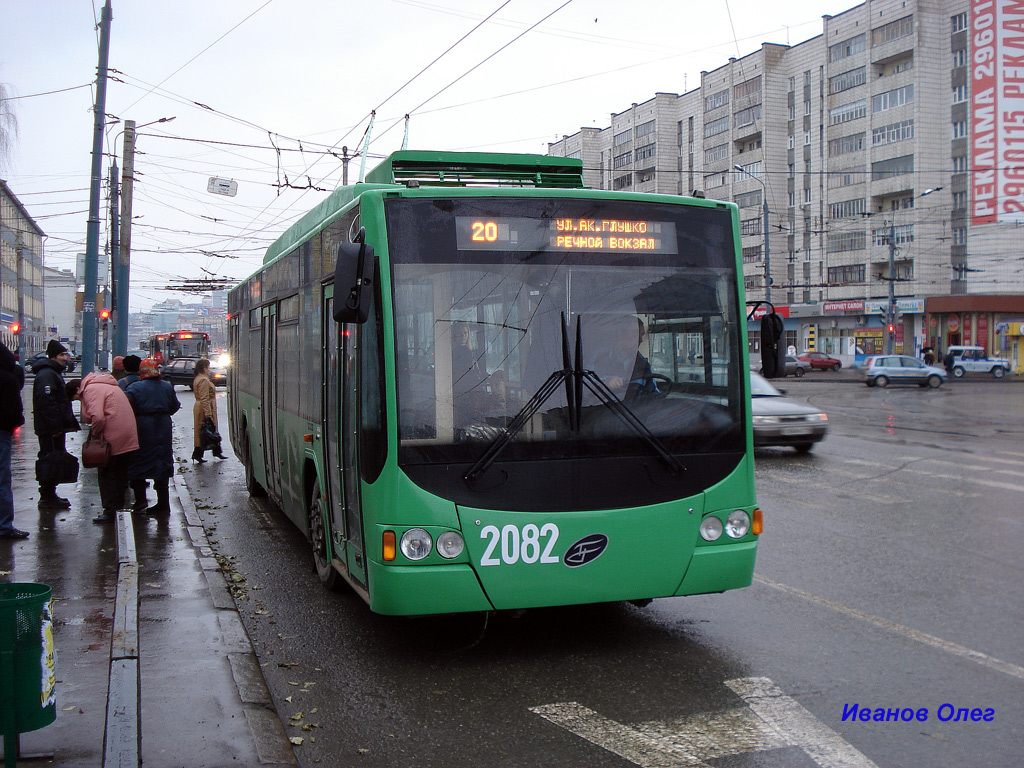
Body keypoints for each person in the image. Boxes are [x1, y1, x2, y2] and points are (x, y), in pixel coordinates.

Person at [68, 373, 140, 524]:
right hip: (127, 433)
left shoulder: (90, 389)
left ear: (76, 390)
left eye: (76, 398)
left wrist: (94, 432)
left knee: (106, 472)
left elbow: (98, 417)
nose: (79, 400)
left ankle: (109, 510)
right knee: (120, 472)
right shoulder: (108, 385)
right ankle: (118, 506)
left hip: (113, 435)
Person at [125, 359, 181, 515]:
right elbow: (174, 406)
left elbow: (126, 408)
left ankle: (140, 500)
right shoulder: (166, 387)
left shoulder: (134, 388)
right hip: (163, 427)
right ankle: (163, 503)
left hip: (141, 427)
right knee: (162, 462)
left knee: (138, 460)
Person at [31, 340, 80, 508]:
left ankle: (50, 494)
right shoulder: (47, 374)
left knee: (53, 458)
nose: (65, 358)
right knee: (49, 459)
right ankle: (46, 496)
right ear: (53, 357)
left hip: (51, 426)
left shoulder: (52, 373)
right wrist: (55, 427)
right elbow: (47, 401)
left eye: (66, 354)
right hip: (49, 428)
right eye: (62, 355)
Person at [0, 342, 29, 539]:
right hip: (1, 432)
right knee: (2, 479)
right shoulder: (8, 379)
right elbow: (14, 411)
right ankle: (4, 525)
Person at [593, 317, 658, 399]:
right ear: (621, 334)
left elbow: (653, 394)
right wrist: (604, 383)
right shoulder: (598, 356)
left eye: (641, 335)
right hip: (602, 409)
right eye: (635, 335)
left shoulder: (643, 365)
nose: (640, 340)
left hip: (634, 410)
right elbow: (584, 384)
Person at [191, 358, 225, 463]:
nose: (209, 370)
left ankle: (214, 451)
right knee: (207, 430)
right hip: (204, 408)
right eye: (208, 368)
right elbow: (204, 397)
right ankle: (200, 452)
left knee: (205, 430)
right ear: (204, 369)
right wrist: (208, 413)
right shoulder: (203, 380)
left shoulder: (200, 378)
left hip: (201, 407)